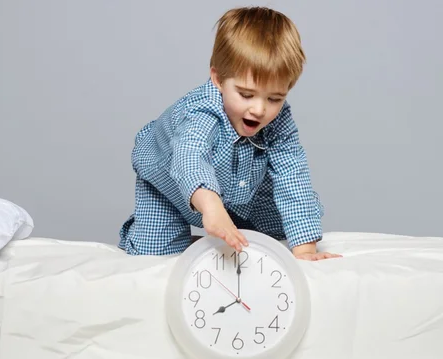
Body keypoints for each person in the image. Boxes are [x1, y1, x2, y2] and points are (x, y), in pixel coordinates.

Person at [118, 6, 341, 261]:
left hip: (240, 188)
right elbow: (190, 156)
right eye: (246, 95)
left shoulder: (279, 120)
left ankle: (223, 227)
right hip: (168, 183)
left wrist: (305, 251)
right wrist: (211, 207)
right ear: (218, 78)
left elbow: (292, 174)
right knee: (157, 250)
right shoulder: (201, 111)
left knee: (283, 225)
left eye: (274, 98)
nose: (259, 109)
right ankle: (169, 233)